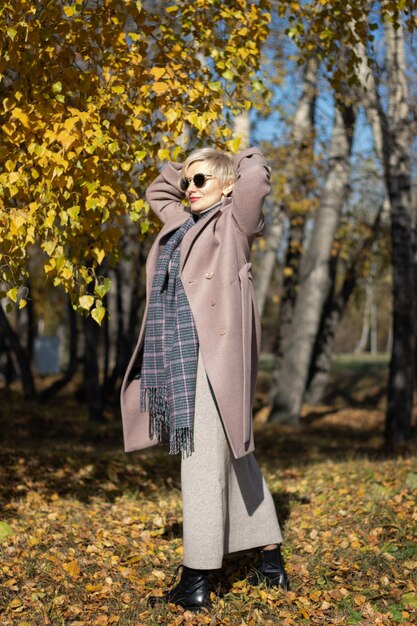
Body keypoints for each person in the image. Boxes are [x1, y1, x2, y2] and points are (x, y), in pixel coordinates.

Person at [120, 146, 289, 611]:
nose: (189, 189)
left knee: (198, 459)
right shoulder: (181, 224)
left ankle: (196, 579)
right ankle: (270, 559)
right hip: (182, 358)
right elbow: (158, 189)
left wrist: (235, 159)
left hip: (215, 358)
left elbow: (255, 177)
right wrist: (190, 166)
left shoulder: (234, 223)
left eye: (200, 182)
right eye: (188, 182)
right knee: (232, 456)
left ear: (226, 185)